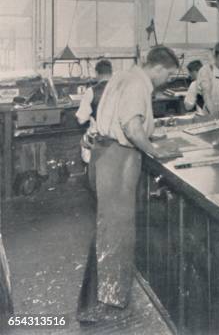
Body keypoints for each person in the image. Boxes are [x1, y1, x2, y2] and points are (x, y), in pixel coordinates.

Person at [76, 46, 180, 324]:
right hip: (118, 159)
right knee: (116, 231)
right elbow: (132, 127)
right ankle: (107, 306)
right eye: (168, 76)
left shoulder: (122, 76)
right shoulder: (138, 84)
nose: (167, 82)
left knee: (108, 228)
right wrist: (155, 150)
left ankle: (95, 302)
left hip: (102, 153)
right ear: (158, 69)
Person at [76, 59, 113, 190]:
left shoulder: (91, 91)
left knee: (84, 141)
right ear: (111, 73)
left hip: (100, 139)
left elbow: (81, 120)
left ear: (97, 73)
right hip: (119, 138)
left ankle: (92, 179)